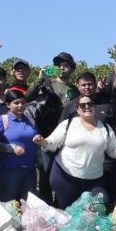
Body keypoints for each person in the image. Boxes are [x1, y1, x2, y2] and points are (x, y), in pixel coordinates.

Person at [37, 94, 114, 208]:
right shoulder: (68, 124)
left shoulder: (105, 128)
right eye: (82, 105)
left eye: (90, 104)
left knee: (100, 207)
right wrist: (43, 142)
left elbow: (113, 151)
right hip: (66, 176)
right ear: (77, 110)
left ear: (94, 107)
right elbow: (52, 143)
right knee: (67, 211)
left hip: (94, 178)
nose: (87, 107)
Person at [28, 53, 76, 201]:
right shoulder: (46, 84)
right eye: (59, 65)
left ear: (72, 68)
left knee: (65, 173)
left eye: (65, 65)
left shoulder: (75, 89)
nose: (62, 68)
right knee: (45, 173)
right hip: (46, 136)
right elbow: (27, 97)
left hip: (67, 137)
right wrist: (39, 79)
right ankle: (46, 206)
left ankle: (60, 204)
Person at [0, 87, 39, 202]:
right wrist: (11, 148)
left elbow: (35, 139)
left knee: (30, 204)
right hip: (9, 169)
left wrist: (39, 139)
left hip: (29, 169)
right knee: (10, 204)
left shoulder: (30, 120)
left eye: (23, 103)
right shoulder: (2, 120)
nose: (20, 106)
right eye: (16, 103)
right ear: (8, 105)